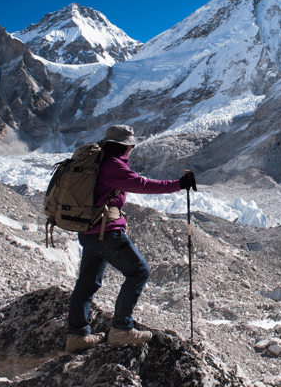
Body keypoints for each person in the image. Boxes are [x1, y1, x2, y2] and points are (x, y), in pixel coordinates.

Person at [65, 124, 196, 354]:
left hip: (89, 232)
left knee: (87, 284)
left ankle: (77, 336)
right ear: (126, 146)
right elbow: (142, 185)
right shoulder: (113, 166)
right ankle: (121, 329)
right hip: (106, 233)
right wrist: (178, 185)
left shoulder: (99, 161)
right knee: (139, 271)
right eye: (131, 145)